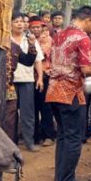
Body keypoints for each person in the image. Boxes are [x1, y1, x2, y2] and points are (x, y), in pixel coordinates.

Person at [46, 6, 91, 181]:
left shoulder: (58, 34)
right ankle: (66, 180)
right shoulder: (82, 38)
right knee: (74, 137)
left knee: (63, 136)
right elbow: (86, 69)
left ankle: (61, 178)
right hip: (70, 92)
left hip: (53, 91)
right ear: (88, 20)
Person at [11, 12, 44, 152]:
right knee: (10, 114)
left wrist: (40, 78)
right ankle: (11, 143)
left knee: (27, 113)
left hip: (27, 80)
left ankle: (29, 142)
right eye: (16, 21)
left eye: (22, 21)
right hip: (10, 82)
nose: (20, 24)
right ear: (10, 23)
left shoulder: (30, 39)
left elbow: (37, 60)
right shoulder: (5, 39)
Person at [29, 16, 56, 146]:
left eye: (38, 27)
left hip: (45, 75)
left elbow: (44, 53)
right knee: (33, 107)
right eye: (33, 27)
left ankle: (48, 135)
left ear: (42, 27)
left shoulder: (48, 39)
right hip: (30, 77)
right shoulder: (27, 38)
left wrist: (34, 43)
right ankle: (35, 136)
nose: (36, 29)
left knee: (46, 107)